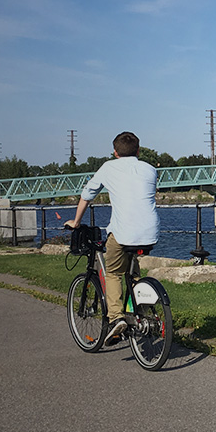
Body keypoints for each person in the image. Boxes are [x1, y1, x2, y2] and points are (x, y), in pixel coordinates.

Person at [65, 132, 159, 345]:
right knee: (133, 274)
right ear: (138, 150)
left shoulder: (108, 167)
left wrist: (76, 222)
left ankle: (116, 318)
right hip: (150, 233)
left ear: (115, 152)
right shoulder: (150, 169)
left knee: (115, 272)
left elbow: (87, 194)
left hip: (123, 233)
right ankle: (139, 313)